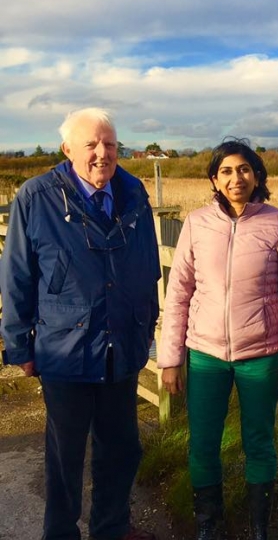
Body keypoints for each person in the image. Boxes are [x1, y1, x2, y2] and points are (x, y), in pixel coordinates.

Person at [0, 108, 161, 540]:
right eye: (90, 144)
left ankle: (110, 528)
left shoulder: (134, 194)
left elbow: (149, 265)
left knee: (121, 448)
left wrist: (147, 325)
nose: (102, 154)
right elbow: (16, 275)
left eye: (109, 144)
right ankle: (61, 533)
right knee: (64, 455)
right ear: (67, 148)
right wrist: (19, 346)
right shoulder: (36, 197)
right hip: (63, 350)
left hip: (122, 347)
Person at [157, 137, 278, 540]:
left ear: (257, 175)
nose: (235, 178)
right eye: (225, 170)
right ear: (214, 178)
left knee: (259, 441)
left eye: (244, 169)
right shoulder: (196, 223)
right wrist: (170, 358)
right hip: (205, 355)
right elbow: (178, 294)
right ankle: (210, 524)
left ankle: (259, 526)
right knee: (203, 442)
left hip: (261, 355)